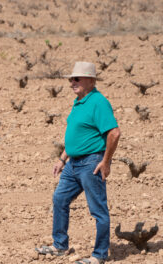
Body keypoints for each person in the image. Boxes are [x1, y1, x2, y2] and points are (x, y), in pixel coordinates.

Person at [35, 62, 121, 264]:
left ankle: (99, 255)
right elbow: (78, 135)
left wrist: (106, 162)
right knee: (59, 199)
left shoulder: (98, 102)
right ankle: (60, 245)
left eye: (77, 79)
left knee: (98, 210)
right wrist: (62, 158)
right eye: (71, 79)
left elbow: (114, 133)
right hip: (72, 164)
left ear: (91, 81)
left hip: (91, 162)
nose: (72, 82)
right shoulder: (78, 101)